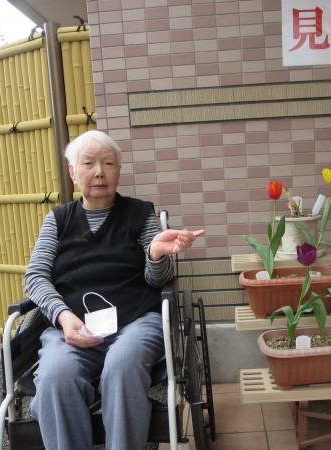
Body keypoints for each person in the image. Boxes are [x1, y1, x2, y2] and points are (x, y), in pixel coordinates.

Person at [24, 130, 205, 450]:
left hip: (136, 322)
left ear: (119, 170)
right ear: (72, 172)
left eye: (108, 163)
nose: (99, 172)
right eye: (89, 163)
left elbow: (159, 280)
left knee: (122, 365)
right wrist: (63, 316)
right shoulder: (58, 220)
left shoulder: (140, 214)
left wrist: (155, 255)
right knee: (55, 375)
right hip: (74, 326)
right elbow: (35, 276)